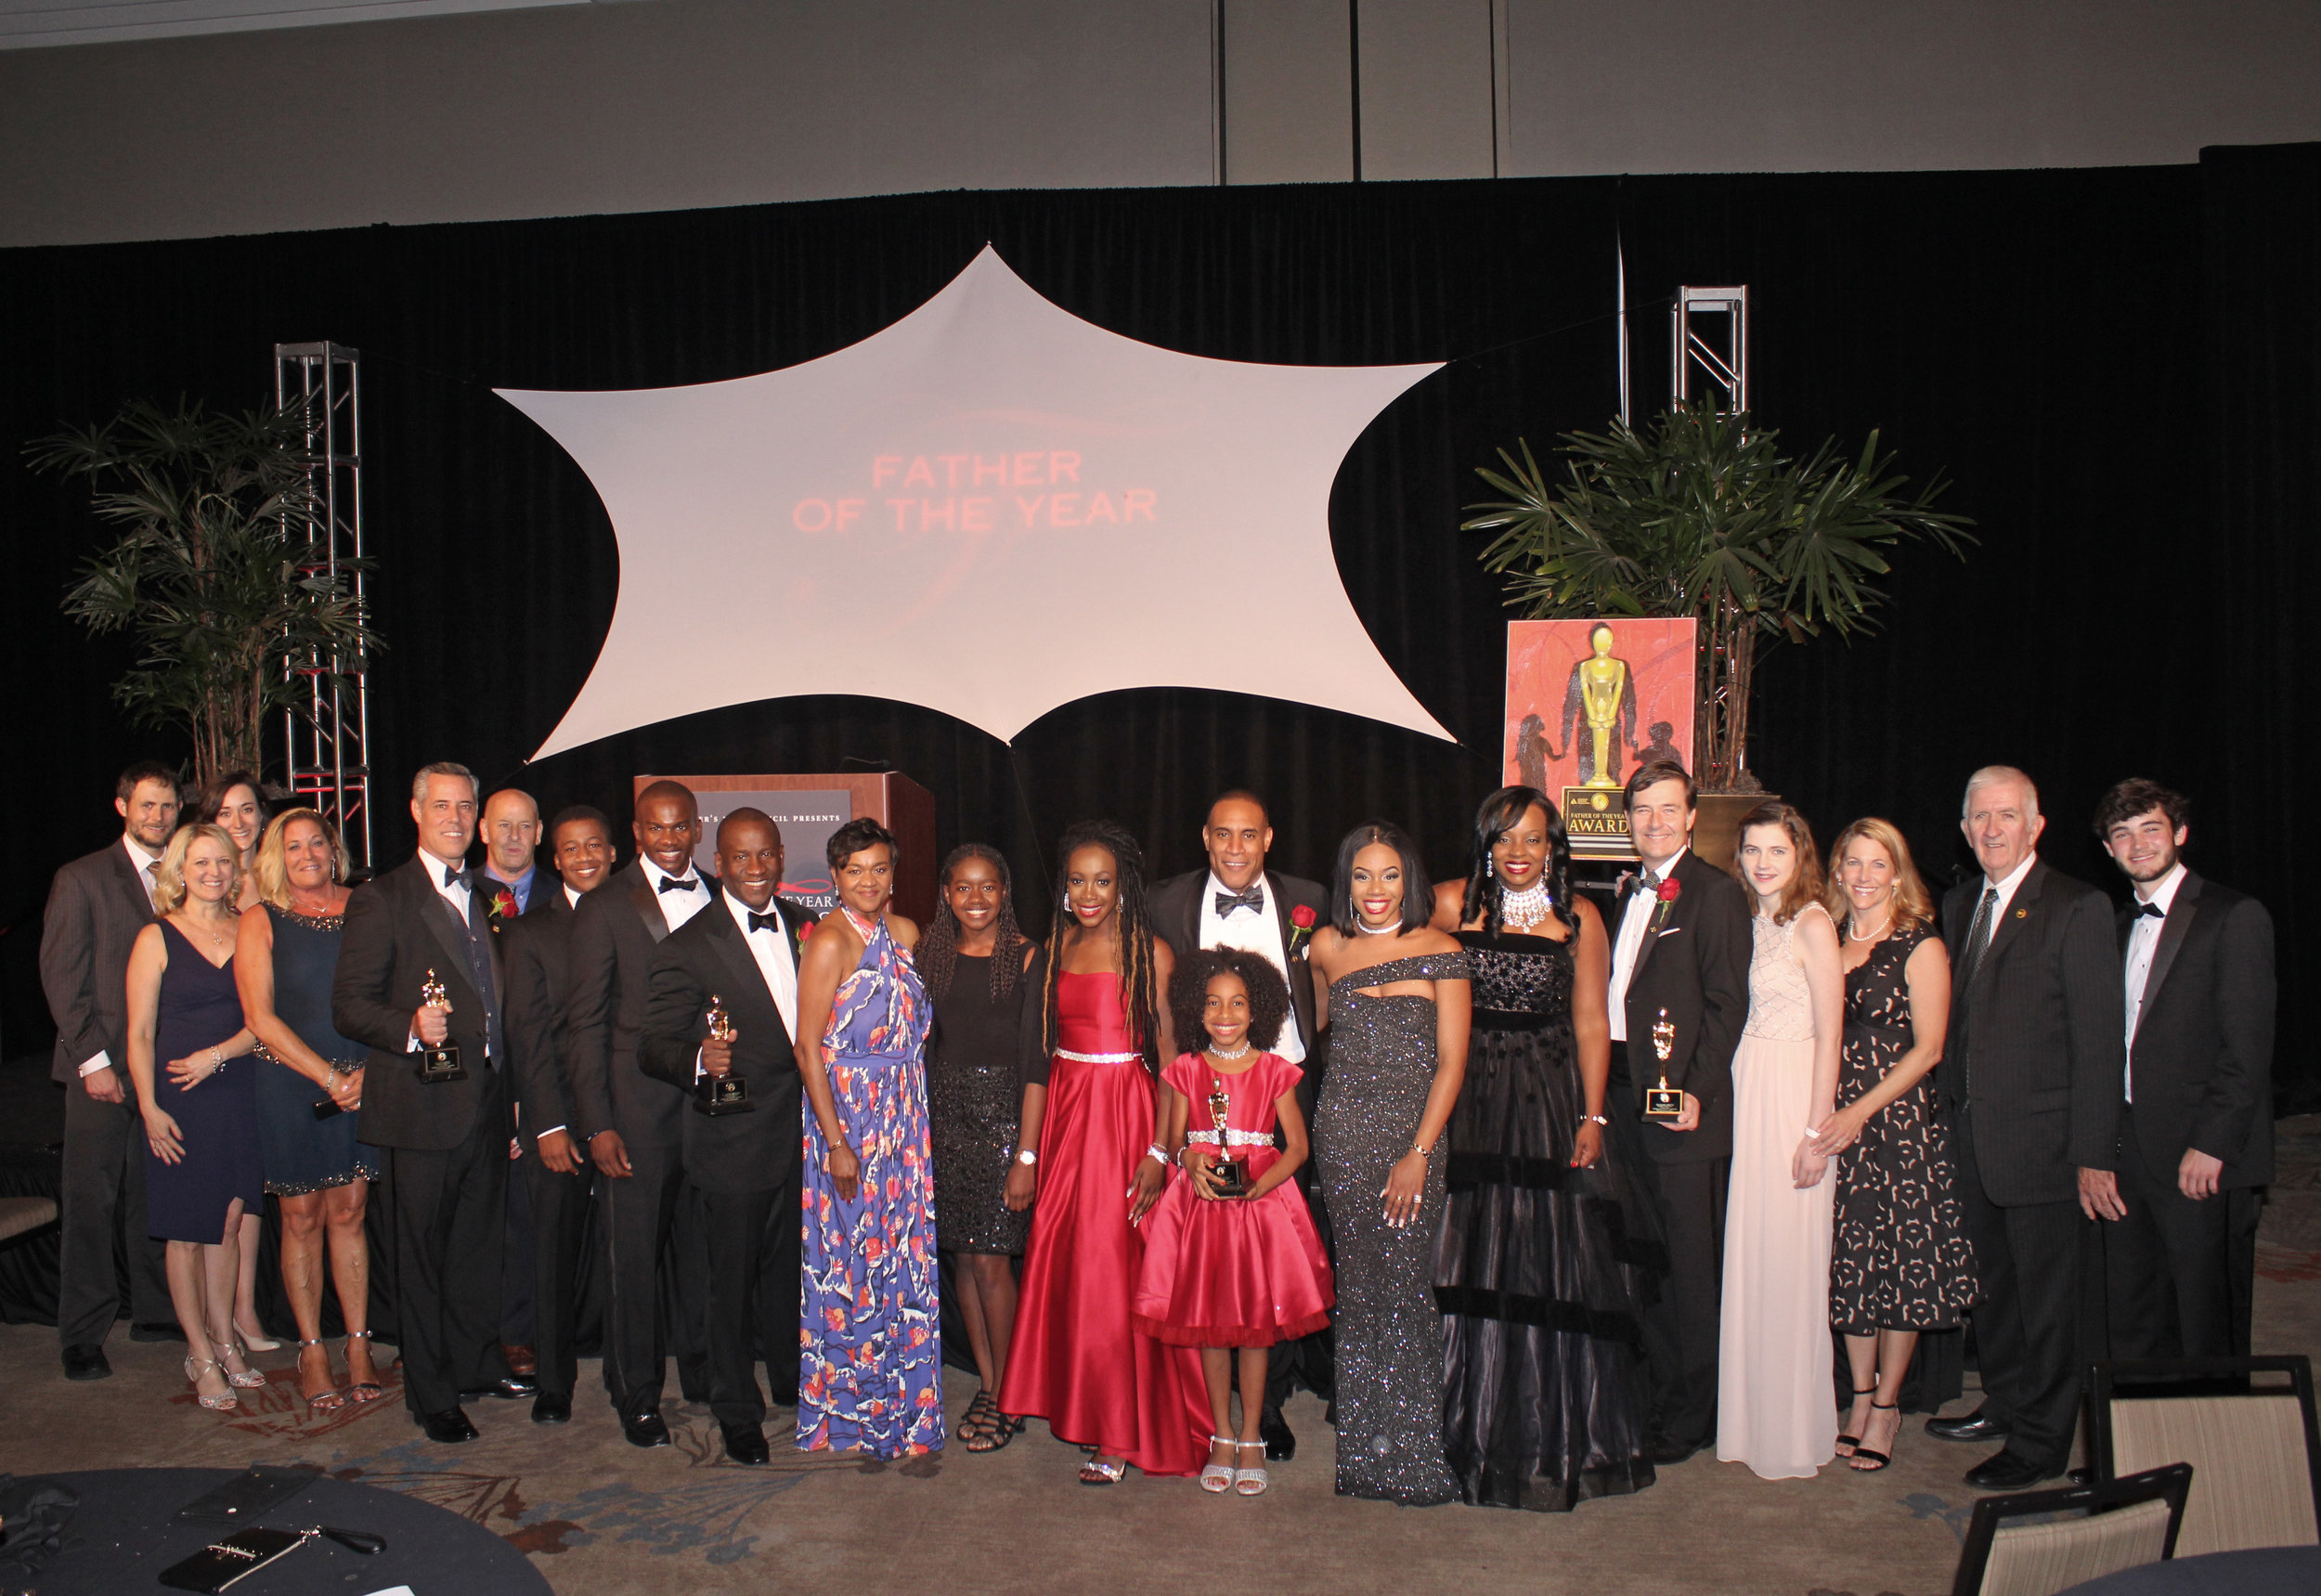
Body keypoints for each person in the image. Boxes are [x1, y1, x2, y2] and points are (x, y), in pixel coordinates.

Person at [1429, 786, 1658, 1511]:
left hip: (1546, 1097)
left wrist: (1594, 1114)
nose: (1518, 852)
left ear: (1553, 844)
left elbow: (1593, 1021)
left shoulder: (1581, 916)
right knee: (1464, 1253)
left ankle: (1546, 1431)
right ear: (1485, 843)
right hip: (1469, 1094)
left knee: (1544, 1257)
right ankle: (1454, 1430)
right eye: (1504, 838)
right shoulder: (1447, 904)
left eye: (1532, 838)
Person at [1924, 766, 2122, 1491]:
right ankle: (2004, 1403)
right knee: (1993, 1290)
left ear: (2035, 825)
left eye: (2007, 815)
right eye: (1979, 817)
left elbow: (2101, 1045)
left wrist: (2095, 1154)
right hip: (1972, 1139)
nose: (1992, 829)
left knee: (2048, 1302)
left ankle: (2042, 1439)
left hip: (2047, 1146)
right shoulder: (1960, 901)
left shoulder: (2077, 907)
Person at [331, 762, 534, 1445]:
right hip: (419, 1107)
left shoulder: (486, 896)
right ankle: (430, 1392)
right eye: (441, 805)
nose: (453, 816)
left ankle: (476, 1363)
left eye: (463, 805)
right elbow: (350, 1005)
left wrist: (508, 1090)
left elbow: (496, 1004)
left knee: (479, 1248)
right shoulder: (382, 897)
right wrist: (409, 1027)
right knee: (420, 1255)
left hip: (484, 1100)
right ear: (416, 811)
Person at [1000, 820, 1206, 1484]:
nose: (1090, 893)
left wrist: (1161, 1150)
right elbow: (1038, 1059)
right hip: (1066, 1116)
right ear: (1063, 886)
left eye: (1103, 881)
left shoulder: (1153, 951)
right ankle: (1080, 1405)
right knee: (1069, 1269)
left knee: (1115, 1272)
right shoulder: (1053, 948)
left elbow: (1174, 1061)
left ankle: (1118, 1432)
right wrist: (1028, 1154)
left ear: (1124, 887)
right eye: (1078, 880)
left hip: (1124, 1114)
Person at [1148, 789, 1329, 1461]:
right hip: (1203, 1087)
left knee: (1277, 1244)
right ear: (1204, 835)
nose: (1234, 847)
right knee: (1209, 1252)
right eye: (1222, 833)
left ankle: (1268, 1405)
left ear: (1268, 838)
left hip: (1284, 1083)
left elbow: (1328, 977)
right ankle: (1213, 1411)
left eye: (1247, 835)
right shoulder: (1165, 901)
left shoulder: (1310, 896)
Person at [639, 808, 814, 1465]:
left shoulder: (804, 926)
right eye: (741, 857)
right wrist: (695, 1059)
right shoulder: (685, 945)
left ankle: (795, 1383)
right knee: (729, 1281)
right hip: (732, 1140)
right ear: (720, 864)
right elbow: (651, 1044)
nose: (756, 868)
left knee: (789, 1273)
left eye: (765, 854)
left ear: (779, 855)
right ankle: (737, 1407)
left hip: (804, 1138)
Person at [1307, 821, 1470, 1505]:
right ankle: (1363, 1457)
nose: (1376, 891)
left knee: (1406, 1290)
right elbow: (1320, 1036)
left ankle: (1414, 1457)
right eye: (1363, 876)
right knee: (1360, 1290)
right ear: (1347, 882)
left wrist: (1419, 1153)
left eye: (1390, 875)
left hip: (1415, 1141)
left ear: (1411, 878)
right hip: (1341, 1135)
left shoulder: (1442, 950)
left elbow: (1453, 1064)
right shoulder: (1325, 948)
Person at [1134, 950, 1333, 1497]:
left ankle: (1251, 1435)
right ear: (1196, 1010)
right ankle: (1221, 1434)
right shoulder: (1184, 1070)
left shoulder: (1275, 1071)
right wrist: (1187, 1161)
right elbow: (1172, 1142)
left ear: (1258, 1010)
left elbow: (1297, 1149)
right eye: (1213, 1004)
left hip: (1259, 1213)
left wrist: (1256, 1188)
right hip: (1199, 1213)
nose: (1225, 1014)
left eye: (1238, 1004)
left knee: (1254, 1329)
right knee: (1210, 1327)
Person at [1809, 819, 1973, 1473]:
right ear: (1838, 871)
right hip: (1834, 1123)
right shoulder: (1826, 937)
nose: (1866, 876)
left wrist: (1858, 1110)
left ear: (1898, 872)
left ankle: (1888, 1406)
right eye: (1854, 862)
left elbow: (1929, 1048)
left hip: (1896, 1126)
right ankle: (1858, 1397)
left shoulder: (1919, 943)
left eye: (1880, 864)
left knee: (1900, 1269)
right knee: (1851, 1266)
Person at [1603, 760, 1752, 1466]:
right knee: (1648, 1258)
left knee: (1692, 1265)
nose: (1654, 822)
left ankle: (1697, 1412)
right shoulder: (1620, 891)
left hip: (1683, 1105)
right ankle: (1663, 1392)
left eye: (1668, 810)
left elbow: (1728, 1004)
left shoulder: (1716, 894)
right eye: (1642, 811)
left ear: (1691, 816)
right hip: (1624, 1095)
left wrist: (1696, 1087)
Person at [2094, 778, 2275, 1359]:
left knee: (2205, 1324)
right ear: (2108, 849)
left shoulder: (2234, 915)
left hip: (2200, 1157)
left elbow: (2247, 1048)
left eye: (2151, 828)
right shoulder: (2114, 927)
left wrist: (2214, 1144)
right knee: (2132, 1318)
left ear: (2181, 834)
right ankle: (2145, 1444)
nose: (2138, 844)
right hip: (2126, 1154)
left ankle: (2215, 1446)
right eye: (2122, 833)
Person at [566, 778, 716, 1447]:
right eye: (656, 828)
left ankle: (712, 1376)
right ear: (637, 833)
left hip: (714, 1108)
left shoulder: (722, 891)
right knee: (634, 1259)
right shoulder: (604, 906)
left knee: (704, 1254)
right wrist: (597, 1122)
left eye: (680, 826)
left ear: (698, 827)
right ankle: (637, 1394)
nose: (670, 839)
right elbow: (584, 1024)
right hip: (635, 1112)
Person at [791, 818, 943, 1458]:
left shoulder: (905, 932)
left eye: (880, 868)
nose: (869, 881)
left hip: (905, 1117)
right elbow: (806, 1046)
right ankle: (856, 1415)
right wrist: (835, 1141)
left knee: (904, 1262)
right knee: (855, 1266)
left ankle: (909, 1412)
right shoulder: (828, 941)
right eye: (855, 869)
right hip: (849, 1118)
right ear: (834, 876)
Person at [234, 808, 382, 1412]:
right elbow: (259, 1018)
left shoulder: (368, 906)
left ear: (333, 847)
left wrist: (368, 1074)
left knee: (350, 1208)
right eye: (292, 847)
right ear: (277, 857)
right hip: (293, 1081)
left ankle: (358, 1344)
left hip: (364, 1074)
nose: (306, 854)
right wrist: (328, 1076)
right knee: (300, 1217)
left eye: (315, 843)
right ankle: (313, 1349)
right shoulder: (259, 919)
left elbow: (390, 993)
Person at [1716, 803, 1844, 1480]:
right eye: (1753, 850)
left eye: (1777, 850)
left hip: (1793, 1091)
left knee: (1791, 1261)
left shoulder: (1815, 923)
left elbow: (1832, 1035)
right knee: (1753, 1252)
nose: (1764, 862)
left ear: (1801, 856)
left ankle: (1790, 1432)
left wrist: (1815, 1132)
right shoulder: (1752, 918)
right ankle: (1745, 1423)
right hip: (1749, 1083)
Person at [43, 759, 180, 1382]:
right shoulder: (83, 877)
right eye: (147, 805)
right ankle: (82, 1334)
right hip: (100, 1069)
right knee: (91, 1202)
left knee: (152, 1194)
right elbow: (63, 977)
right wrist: (92, 1062)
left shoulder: (184, 876)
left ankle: (153, 1310)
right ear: (122, 806)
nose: (158, 816)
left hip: (160, 1068)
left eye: (168, 805)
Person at [124, 823, 266, 1411]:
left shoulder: (250, 931)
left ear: (237, 872)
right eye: (201, 862)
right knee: (186, 1231)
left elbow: (266, 1021)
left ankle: (226, 1337)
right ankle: (200, 1353)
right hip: (178, 1099)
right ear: (180, 869)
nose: (213, 872)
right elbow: (138, 1034)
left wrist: (217, 1056)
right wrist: (149, 1108)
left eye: (224, 863)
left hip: (238, 1090)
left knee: (230, 1222)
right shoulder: (154, 937)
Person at [500, 804, 618, 1425]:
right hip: (561, 1120)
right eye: (572, 849)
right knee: (552, 1249)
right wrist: (545, 1122)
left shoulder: (642, 917)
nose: (585, 857)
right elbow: (527, 1034)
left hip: (630, 1117)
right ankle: (554, 1381)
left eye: (595, 845)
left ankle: (631, 1376)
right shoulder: (529, 932)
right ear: (557, 858)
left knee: (626, 1251)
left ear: (613, 851)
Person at [918, 843, 1036, 1453]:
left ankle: (1011, 1391)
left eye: (988, 886)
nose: (976, 898)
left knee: (993, 1261)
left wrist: (1025, 1151)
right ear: (946, 893)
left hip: (1002, 1123)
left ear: (1005, 891)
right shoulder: (930, 956)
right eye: (963, 887)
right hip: (945, 1120)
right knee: (963, 1259)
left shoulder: (1027, 956)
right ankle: (990, 1385)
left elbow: (1037, 1062)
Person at [196, 771, 278, 1349]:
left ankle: (246, 1310)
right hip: (221, 1051)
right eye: (226, 813)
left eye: (248, 810)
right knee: (221, 1195)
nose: (239, 823)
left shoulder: (279, 877)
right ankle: (221, 1317)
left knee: (252, 1190)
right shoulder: (208, 881)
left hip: (273, 1052)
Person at [479, 785, 547, 1382]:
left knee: (530, 1217)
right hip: (475, 1083)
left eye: (524, 826)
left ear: (539, 832)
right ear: (483, 831)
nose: (513, 836)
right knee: (483, 1218)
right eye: (503, 825)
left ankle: (526, 1331)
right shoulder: (458, 896)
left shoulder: (570, 898)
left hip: (543, 1081)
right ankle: (489, 1334)